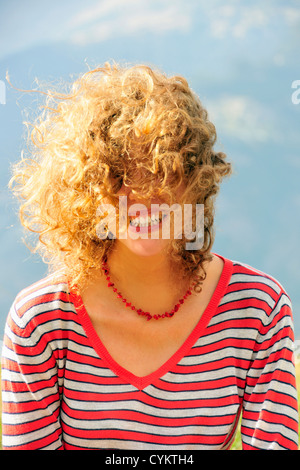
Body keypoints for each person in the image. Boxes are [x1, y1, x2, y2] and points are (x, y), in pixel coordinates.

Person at [1, 63, 298, 450]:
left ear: (197, 179)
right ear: (87, 190)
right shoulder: (41, 321)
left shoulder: (258, 309)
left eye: (165, 170)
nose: (143, 194)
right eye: (121, 175)